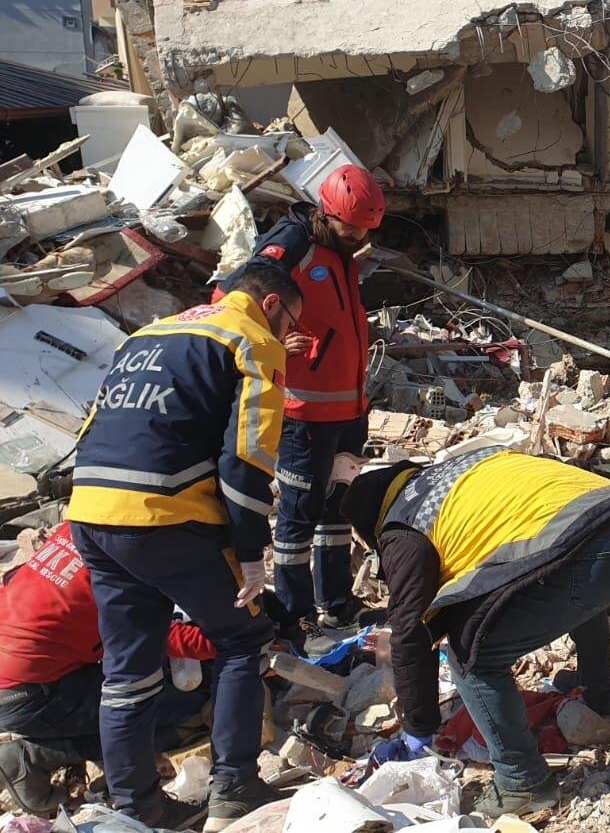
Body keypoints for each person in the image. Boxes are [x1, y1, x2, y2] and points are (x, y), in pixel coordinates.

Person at [67, 263, 301, 830]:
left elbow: (93, 425)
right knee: (243, 637)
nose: (291, 334)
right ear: (271, 304)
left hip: (91, 510)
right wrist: (250, 553)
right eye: (293, 321)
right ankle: (235, 787)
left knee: (128, 671)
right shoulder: (252, 341)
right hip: (166, 511)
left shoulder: (149, 334)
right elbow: (247, 457)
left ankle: (137, 807)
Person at [339, 449, 610, 817]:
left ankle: (523, 782)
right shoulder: (459, 470)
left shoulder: (403, 528)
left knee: (472, 655)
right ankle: (596, 694)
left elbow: (411, 630)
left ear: (372, 523)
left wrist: (418, 730)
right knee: (570, 571)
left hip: (597, 554)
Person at [219, 163, 385, 635]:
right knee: (299, 512)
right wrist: (272, 341)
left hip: (348, 409)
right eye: (350, 227)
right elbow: (236, 295)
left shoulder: (339, 249)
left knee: (337, 508)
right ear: (326, 212)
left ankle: (336, 601)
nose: (358, 237)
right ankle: (296, 614)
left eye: (365, 230)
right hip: (304, 413)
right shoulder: (293, 242)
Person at [0, 525, 216, 817]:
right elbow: (154, 634)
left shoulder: (82, 523)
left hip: (27, 671)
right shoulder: (125, 557)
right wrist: (243, 638)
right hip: (28, 694)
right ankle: (31, 758)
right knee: (173, 708)